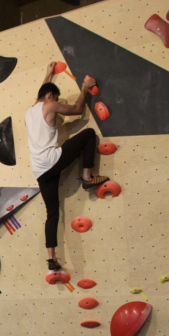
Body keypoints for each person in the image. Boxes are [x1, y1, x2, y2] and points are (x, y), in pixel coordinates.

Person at [25, 62, 108, 273]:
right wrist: (84, 88)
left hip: (40, 171)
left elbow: (41, 95)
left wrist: (48, 74)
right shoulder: (50, 106)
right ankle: (87, 177)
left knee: (52, 213)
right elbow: (78, 110)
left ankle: (51, 258)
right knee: (89, 134)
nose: (59, 103)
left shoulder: (29, 111)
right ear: (52, 97)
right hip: (52, 160)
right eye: (57, 99)